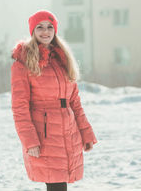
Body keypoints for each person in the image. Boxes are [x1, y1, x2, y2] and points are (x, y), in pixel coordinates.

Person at [10, 10, 97, 191]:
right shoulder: (23, 62)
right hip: (45, 134)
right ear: (32, 31)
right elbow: (20, 107)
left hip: (68, 131)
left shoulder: (62, 59)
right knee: (56, 184)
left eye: (50, 27)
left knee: (60, 183)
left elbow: (74, 102)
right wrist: (30, 140)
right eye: (40, 27)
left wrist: (85, 133)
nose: (45, 31)